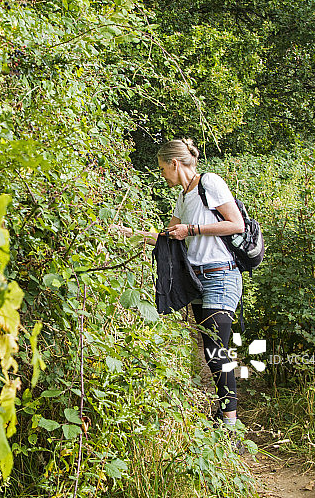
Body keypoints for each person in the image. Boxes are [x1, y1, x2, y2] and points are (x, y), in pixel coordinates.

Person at [111, 138, 244, 429]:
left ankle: (231, 427)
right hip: (198, 280)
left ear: (174, 163)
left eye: (162, 169)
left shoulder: (210, 183)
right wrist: (126, 233)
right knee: (210, 349)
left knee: (216, 348)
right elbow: (167, 236)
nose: (162, 175)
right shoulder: (183, 197)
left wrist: (192, 228)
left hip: (221, 275)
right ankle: (225, 418)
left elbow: (236, 224)